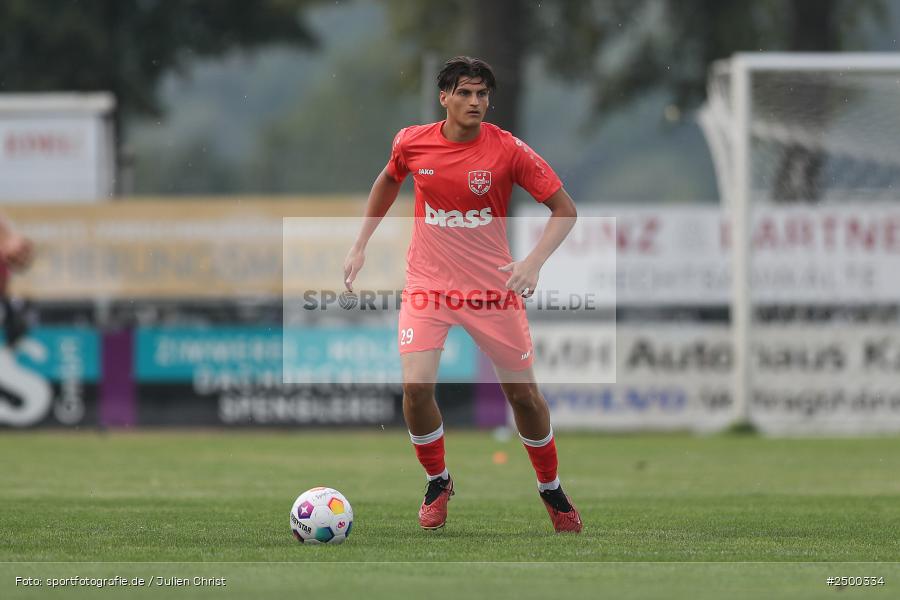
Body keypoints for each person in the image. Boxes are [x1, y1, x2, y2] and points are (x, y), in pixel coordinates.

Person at [344, 56, 582, 533]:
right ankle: (438, 480)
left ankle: (552, 489)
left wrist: (532, 262)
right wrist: (360, 243)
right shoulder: (412, 142)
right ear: (445, 98)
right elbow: (389, 180)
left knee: (525, 399)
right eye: (466, 93)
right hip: (428, 286)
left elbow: (564, 209)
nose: (477, 102)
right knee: (415, 391)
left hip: (493, 291)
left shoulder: (508, 150)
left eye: (483, 94)